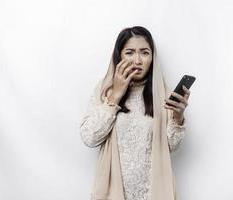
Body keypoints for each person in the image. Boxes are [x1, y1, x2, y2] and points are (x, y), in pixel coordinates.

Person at [80, 26, 191, 200]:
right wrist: (115, 96)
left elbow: (171, 146)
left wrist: (178, 117)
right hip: (114, 192)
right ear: (119, 56)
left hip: (154, 191)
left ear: (153, 58)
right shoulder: (104, 91)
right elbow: (89, 137)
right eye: (130, 52)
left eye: (145, 53)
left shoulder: (163, 93)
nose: (137, 60)